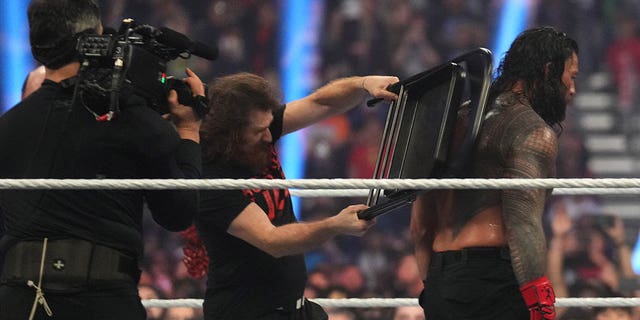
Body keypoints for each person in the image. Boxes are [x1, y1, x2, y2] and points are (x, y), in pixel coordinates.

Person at [0, 1, 206, 319]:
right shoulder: (133, 120)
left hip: (18, 298)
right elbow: (178, 212)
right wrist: (190, 130)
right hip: (100, 298)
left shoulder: (8, 126)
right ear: (94, 41)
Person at [180, 72, 399, 319]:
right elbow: (272, 240)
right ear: (231, 136)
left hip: (292, 308)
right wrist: (334, 225)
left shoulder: (259, 132)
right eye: (259, 131)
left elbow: (320, 103)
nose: (268, 136)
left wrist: (363, 84)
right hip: (245, 312)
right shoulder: (210, 179)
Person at [410, 26, 579, 320]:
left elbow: (420, 227)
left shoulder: (453, 120)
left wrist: (433, 285)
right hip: (495, 282)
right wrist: (541, 305)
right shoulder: (532, 130)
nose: (572, 90)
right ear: (550, 70)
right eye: (572, 77)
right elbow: (522, 225)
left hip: (442, 279)